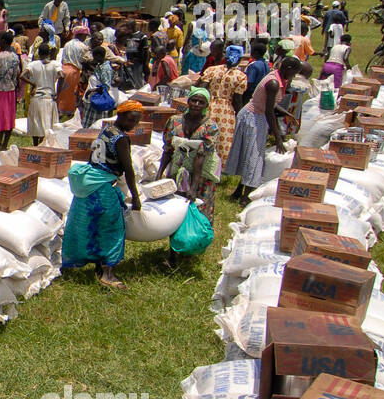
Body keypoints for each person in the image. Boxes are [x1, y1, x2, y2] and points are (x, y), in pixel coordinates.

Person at [63, 102, 143, 290]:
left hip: (90, 184)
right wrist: (136, 197)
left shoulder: (107, 129)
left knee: (89, 225)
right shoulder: (121, 138)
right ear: (121, 115)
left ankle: (96, 264)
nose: (133, 125)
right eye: (131, 120)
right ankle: (107, 273)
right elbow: (129, 170)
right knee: (112, 228)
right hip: (103, 189)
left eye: (136, 122)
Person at [158, 89, 220, 267]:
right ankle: (173, 254)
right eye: (193, 101)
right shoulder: (175, 121)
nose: (196, 105)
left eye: (201, 102)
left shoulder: (210, 127)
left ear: (206, 106)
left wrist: (193, 186)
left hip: (200, 177)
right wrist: (159, 175)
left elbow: (201, 156)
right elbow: (167, 149)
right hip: (178, 173)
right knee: (176, 212)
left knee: (197, 212)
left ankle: (191, 248)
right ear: (188, 101)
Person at [227, 56, 301, 203]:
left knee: (251, 155)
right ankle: (245, 197)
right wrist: (278, 138)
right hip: (253, 117)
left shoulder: (278, 79)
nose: (293, 77)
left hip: (256, 116)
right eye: (294, 74)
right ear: (288, 69)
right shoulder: (273, 82)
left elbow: (271, 104)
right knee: (255, 157)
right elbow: (269, 111)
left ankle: (238, 192)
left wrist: (288, 115)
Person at [199, 43, 248, 169]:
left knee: (203, 135)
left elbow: (203, 89)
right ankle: (214, 169)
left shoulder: (212, 70)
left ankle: (199, 163)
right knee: (221, 140)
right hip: (225, 112)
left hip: (208, 106)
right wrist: (240, 115)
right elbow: (237, 100)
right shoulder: (241, 77)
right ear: (240, 59)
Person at [26, 42, 60, 146]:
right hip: (49, 97)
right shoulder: (55, 64)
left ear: (39, 53)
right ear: (49, 53)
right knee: (48, 124)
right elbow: (62, 75)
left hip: (37, 97)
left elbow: (22, 76)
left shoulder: (33, 64)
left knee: (35, 124)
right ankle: (45, 145)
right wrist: (58, 92)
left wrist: (34, 85)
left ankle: (36, 145)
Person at [81, 45, 117, 127]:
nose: (93, 59)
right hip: (92, 99)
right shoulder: (99, 66)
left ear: (99, 56)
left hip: (98, 100)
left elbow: (106, 86)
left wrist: (92, 91)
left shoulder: (105, 69)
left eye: (94, 56)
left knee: (95, 126)